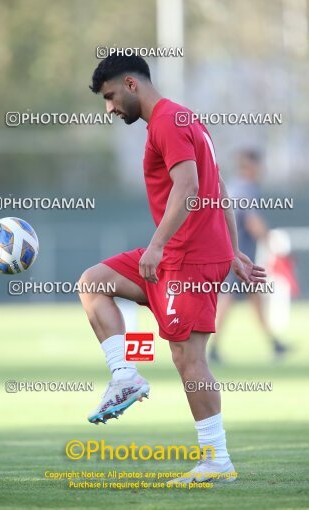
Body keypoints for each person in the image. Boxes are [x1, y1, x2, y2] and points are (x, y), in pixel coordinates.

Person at [78, 55, 266, 483]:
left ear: (130, 84)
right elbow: (217, 188)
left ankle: (217, 461)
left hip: (188, 258)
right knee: (92, 282)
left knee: (188, 358)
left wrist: (159, 245)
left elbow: (191, 187)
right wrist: (234, 251)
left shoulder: (167, 121)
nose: (109, 108)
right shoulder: (184, 119)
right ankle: (125, 376)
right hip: (179, 254)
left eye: (109, 97)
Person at [209, 149, 289, 363]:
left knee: (254, 299)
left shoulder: (233, 187)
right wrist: (272, 243)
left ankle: (274, 344)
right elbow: (253, 222)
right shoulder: (247, 189)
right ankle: (211, 347)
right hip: (238, 258)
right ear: (251, 167)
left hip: (233, 257)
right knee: (227, 298)